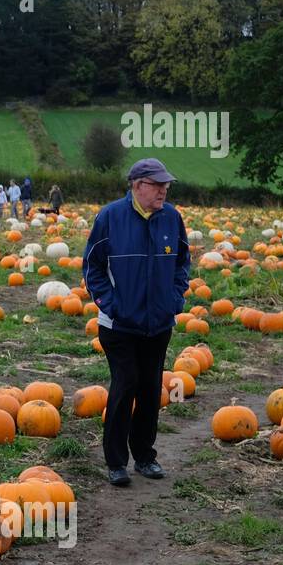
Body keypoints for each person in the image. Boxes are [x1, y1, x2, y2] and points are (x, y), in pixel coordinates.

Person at [83, 158, 190, 488]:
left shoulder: (171, 218)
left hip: (158, 323)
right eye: (157, 185)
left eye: (166, 185)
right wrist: (112, 305)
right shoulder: (111, 218)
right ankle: (116, 462)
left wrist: (174, 300)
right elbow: (93, 268)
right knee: (125, 383)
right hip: (118, 325)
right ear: (138, 185)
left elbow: (182, 263)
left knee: (149, 388)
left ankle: (145, 456)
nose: (164, 190)